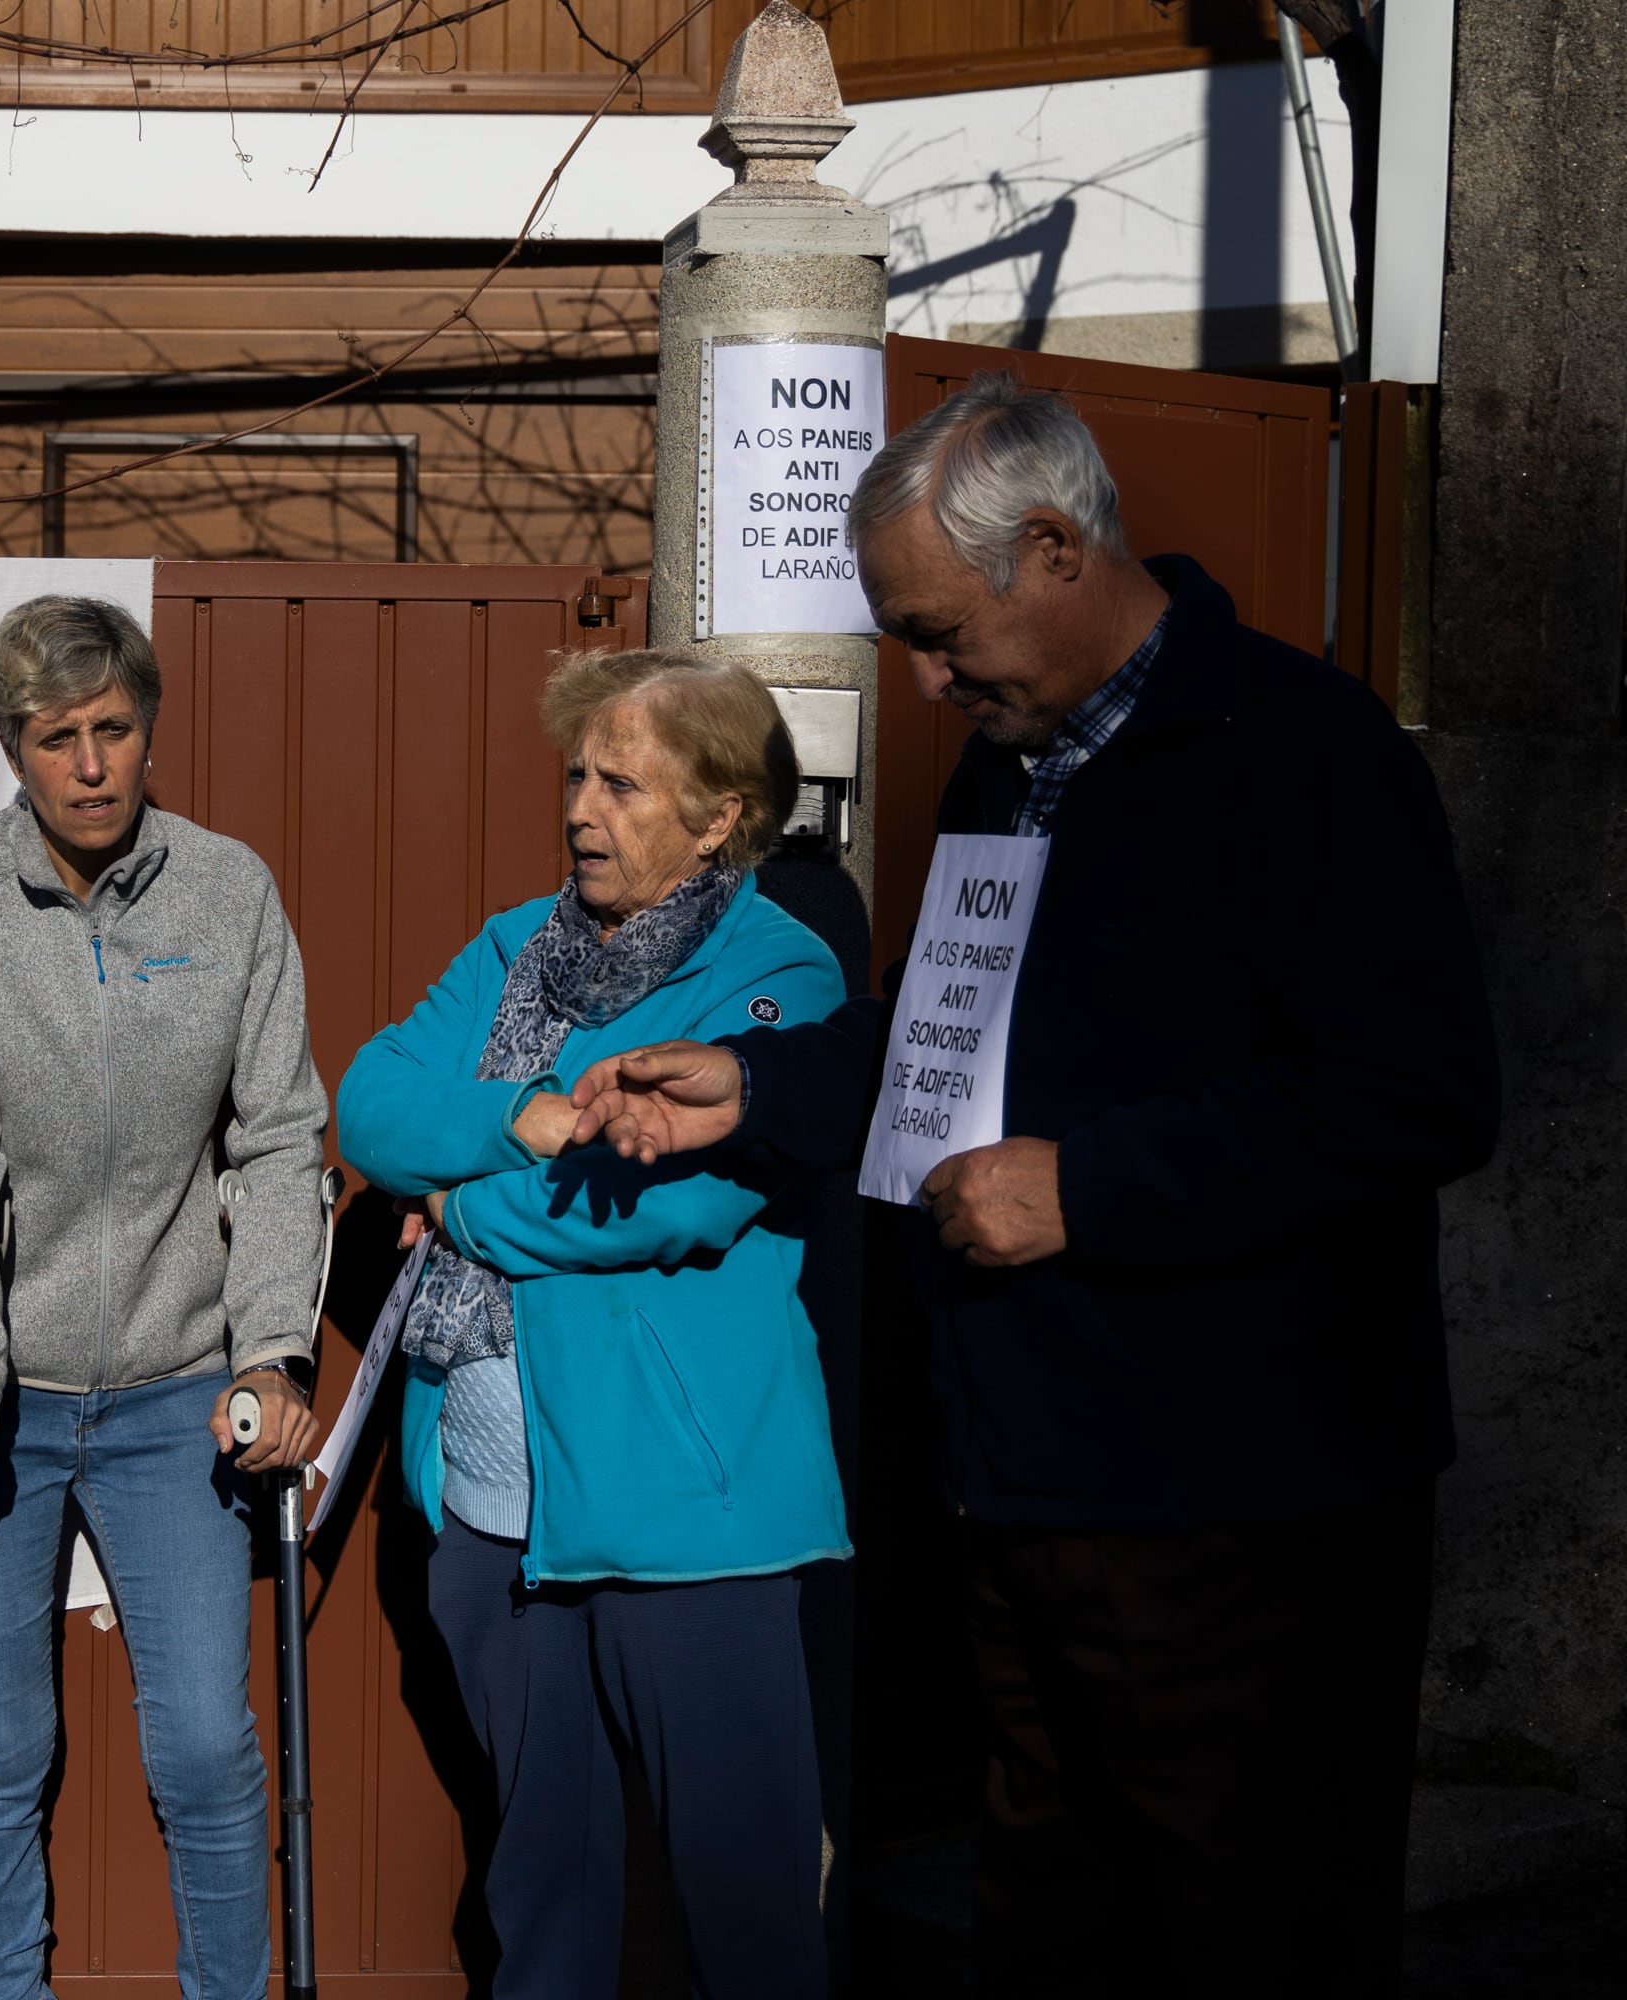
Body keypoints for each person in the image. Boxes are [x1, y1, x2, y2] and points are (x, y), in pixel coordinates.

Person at [567, 374, 1501, 1997]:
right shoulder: (1012, 771)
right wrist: (762, 1085)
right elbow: (952, 1042)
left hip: (1248, 1510)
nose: (925, 683)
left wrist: (1096, 1189)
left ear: (1056, 550)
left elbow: (1414, 1092)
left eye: (938, 633)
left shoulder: (1303, 752)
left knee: (1250, 1925)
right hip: (1032, 1483)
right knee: (1054, 1918)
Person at [335, 647, 848, 1998]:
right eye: (577, 772)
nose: (580, 806)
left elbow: (669, 1207)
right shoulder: (518, 946)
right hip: (493, 1509)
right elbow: (374, 1102)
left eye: (622, 782)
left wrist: (457, 1215)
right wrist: (512, 1117)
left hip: (688, 1509)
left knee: (746, 1911)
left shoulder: (777, 972)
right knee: (543, 1899)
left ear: (722, 809)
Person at [0, 595, 328, 2000]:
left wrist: (272, 1349)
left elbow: (274, 1138)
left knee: (203, 1739)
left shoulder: (227, 890)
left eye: (113, 730)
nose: (89, 765)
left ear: (150, 730)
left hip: (176, 1387)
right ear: (11, 749)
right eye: (54, 738)